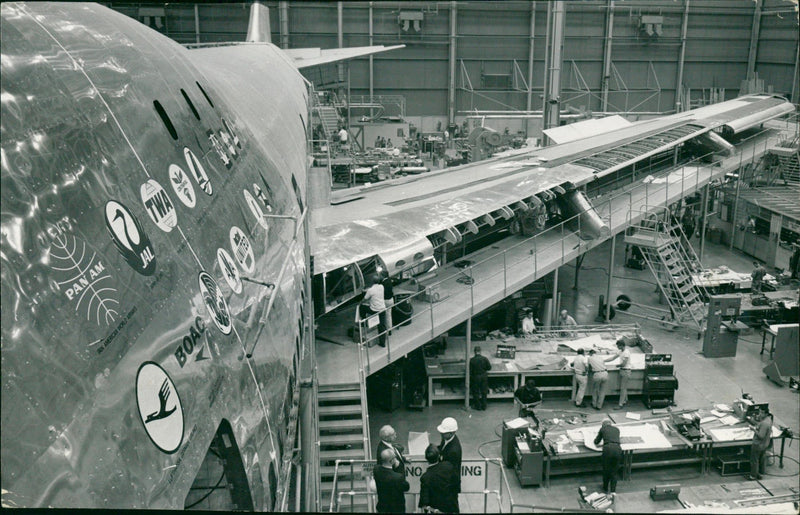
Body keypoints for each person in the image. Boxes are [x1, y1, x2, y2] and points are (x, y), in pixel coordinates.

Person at [419, 444, 459, 514]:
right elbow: (456, 483)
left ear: (426, 458)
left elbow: (424, 501)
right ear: (439, 456)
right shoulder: (448, 466)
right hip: (452, 507)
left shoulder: (425, 477)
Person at [373, 448, 410, 513]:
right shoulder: (398, 477)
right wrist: (399, 468)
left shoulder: (376, 470)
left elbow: (382, 468)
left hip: (382, 507)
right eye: (395, 458)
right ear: (391, 461)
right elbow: (406, 487)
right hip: (396, 509)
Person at [594, 419, 622, 493]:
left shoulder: (602, 429)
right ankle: (613, 491)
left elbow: (596, 441)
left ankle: (605, 488)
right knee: (614, 471)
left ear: (603, 425)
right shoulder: (617, 429)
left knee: (606, 469)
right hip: (618, 449)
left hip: (608, 449)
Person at [437, 417, 462, 494]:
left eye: (443, 432)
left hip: (450, 488)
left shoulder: (453, 451)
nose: (441, 434)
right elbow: (442, 448)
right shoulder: (446, 438)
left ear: (451, 433)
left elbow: (451, 473)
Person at [605, 340, 631, 410]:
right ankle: (625, 400)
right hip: (622, 371)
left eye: (618, 346)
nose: (617, 347)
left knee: (623, 388)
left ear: (622, 345)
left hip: (626, 371)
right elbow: (613, 358)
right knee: (624, 387)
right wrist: (604, 360)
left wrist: (617, 365)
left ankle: (620, 404)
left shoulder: (626, 352)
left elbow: (624, 364)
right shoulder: (620, 351)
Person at [748, 409, 773, 480]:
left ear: (765, 414)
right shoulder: (768, 420)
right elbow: (759, 424)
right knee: (762, 459)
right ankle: (761, 473)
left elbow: (761, 436)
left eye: (761, 413)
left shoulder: (764, 423)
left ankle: (753, 475)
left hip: (758, 445)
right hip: (765, 444)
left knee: (754, 460)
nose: (759, 414)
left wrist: (754, 430)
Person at [363, 274, 386, 347]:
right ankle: (382, 343)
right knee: (382, 326)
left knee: (362, 307)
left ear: (372, 282)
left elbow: (365, 299)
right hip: (382, 309)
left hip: (374, 310)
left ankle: (363, 321)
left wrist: (360, 302)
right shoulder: (381, 287)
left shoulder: (370, 290)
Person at [469, 346, 492, 411]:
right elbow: (489, 368)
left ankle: (478, 407)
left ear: (474, 352)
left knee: (476, 392)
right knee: (484, 392)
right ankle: (484, 406)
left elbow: (470, 371)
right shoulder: (485, 359)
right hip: (483, 377)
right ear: (480, 351)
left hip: (475, 377)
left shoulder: (472, 360)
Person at [381, 271, 395, 336]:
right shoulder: (389, 280)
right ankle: (389, 329)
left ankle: (384, 329)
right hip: (391, 299)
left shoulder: (383, 283)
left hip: (385, 300)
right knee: (389, 315)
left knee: (384, 315)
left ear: (383, 276)